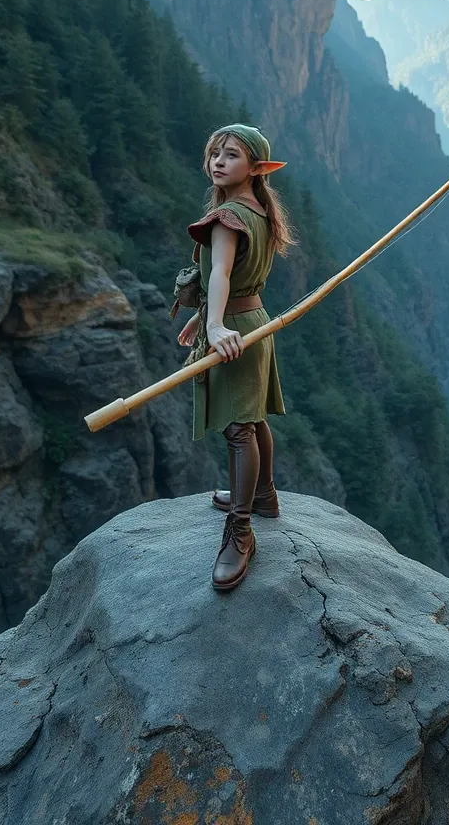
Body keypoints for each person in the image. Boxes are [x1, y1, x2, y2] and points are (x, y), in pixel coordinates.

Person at [177, 124, 297, 591]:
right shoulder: (258, 212)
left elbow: (223, 273)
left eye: (230, 155)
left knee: (237, 427)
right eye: (214, 154)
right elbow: (235, 282)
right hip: (254, 323)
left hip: (235, 333)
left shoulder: (227, 216)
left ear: (256, 168)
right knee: (253, 419)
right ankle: (263, 496)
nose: (218, 162)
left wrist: (214, 326)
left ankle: (241, 531)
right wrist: (206, 318)